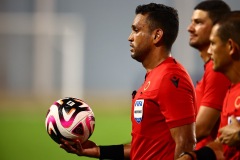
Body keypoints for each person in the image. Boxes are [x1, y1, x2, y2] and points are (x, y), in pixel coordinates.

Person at [60, 3, 196, 159]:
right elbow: (142, 147)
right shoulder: (153, 78)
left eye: (136, 30)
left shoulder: (170, 79)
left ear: (157, 36)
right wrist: (97, 151)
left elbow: (186, 144)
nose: (130, 37)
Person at [178, 11, 240, 160]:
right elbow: (222, 145)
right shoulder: (230, 92)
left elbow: (201, 129)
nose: (210, 51)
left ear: (230, 47)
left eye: (213, 43)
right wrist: (191, 157)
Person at [187, 0, 231, 150]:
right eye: (191, 22)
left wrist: (154, 144)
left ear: (217, 28)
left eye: (198, 22)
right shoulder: (210, 69)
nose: (190, 28)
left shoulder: (216, 70)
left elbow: (201, 129)